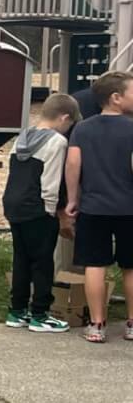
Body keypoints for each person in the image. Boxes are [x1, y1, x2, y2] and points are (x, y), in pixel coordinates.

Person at [63, 71, 133, 342]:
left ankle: (97, 324)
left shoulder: (83, 128)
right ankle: (130, 322)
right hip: (129, 207)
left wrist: (72, 199)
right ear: (116, 98)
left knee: (95, 264)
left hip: (93, 206)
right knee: (130, 266)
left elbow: (72, 165)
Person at [4, 93, 78, 332]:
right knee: (43, 261)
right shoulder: (57, 142)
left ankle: (17, 311)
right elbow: (51, 179)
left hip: (14, 204)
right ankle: (40, 314)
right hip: (38, 207)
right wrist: (51, 211)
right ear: (64, 117)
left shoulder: (22, 137)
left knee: (21, 258)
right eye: (70, 124)